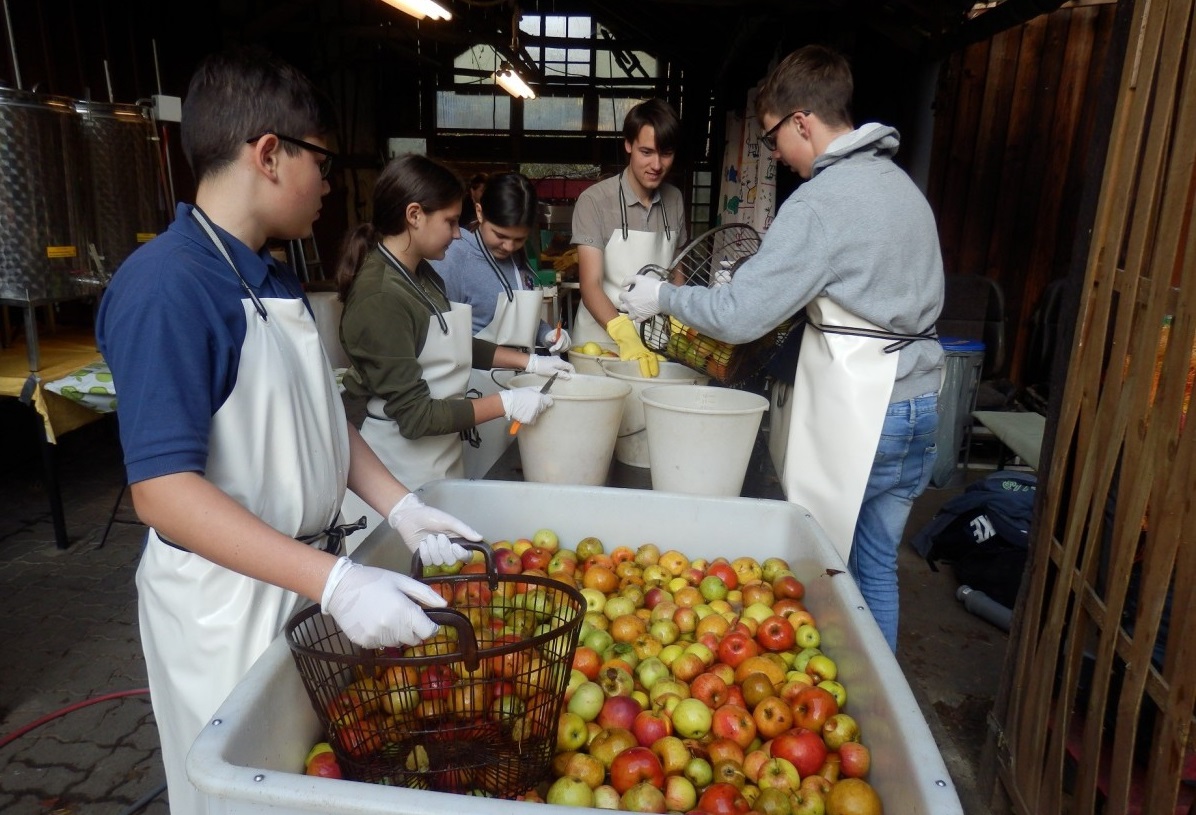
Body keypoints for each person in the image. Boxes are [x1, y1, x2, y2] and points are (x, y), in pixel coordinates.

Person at [95, 47, 482, 815]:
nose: (333, 185)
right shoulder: (169, 285)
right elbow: (164, 493)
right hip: (228, 604)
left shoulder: (269, 274)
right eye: (326, 163)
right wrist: (336, 582)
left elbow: (317, 422)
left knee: (316, 785)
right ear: (270, 154)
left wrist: (401, 505)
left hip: (302, 588)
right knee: (249, 796)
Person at [620, 45, 944, 651]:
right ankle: (885, 703)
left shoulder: (822, 202)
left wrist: (663, 297)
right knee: (875, 564)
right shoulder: (902, 188)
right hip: (923, 401)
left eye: (772, 139)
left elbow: (741, 316)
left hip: (869, 411)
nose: (776, 156)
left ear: (802, 121)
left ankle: (834, 691)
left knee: (822, 567)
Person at [337, 153, 574, 496]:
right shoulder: (381, 296)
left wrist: (530, 361)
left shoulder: (420, 274)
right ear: (414, 215)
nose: (458, 234)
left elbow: (453, 344)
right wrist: (504, 403)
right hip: (397, 465)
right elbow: (416, 417)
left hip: (439, 453)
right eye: (450, 221)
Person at [432, 171, 571, 478]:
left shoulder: (516, 258)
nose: (509, 246)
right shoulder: (454, 258)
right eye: (500, 235)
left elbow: (519, 315)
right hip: (474, 389)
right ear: (479, 211)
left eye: (518, 238)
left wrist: (547, 336)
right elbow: (442, 340)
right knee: (480, 473)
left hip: (519, 381)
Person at [571, 98, 688, 377]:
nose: (656, 164)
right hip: (601, 344)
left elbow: (677, 273)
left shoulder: (674, 200)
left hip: (656, 342)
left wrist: (682, 324)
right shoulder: (595, 201)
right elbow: (590, 284)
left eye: (666, 153)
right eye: (646, 152)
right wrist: (624, 336)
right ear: (628, 145)